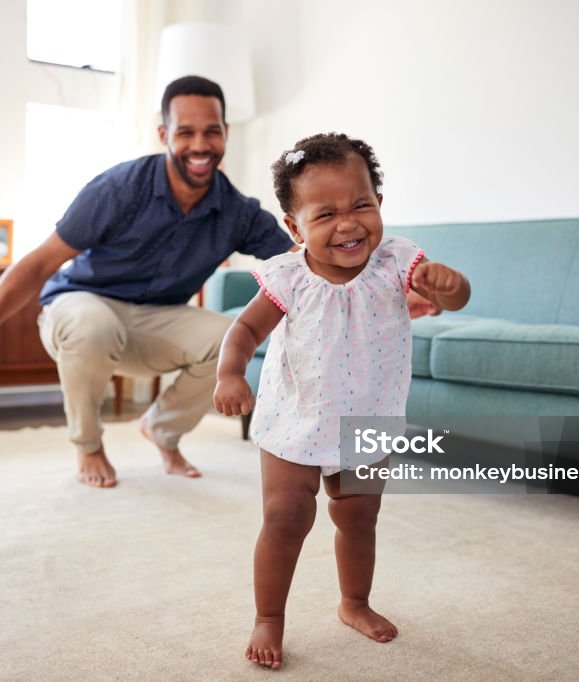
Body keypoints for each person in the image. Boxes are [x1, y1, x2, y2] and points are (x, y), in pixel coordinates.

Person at [0, 76, 295, 488]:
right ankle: (89, 445)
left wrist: (361, 260)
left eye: (211, 131)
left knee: (230, 336)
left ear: (226, 134)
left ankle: (162, 429)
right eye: (186, 132)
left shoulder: (237, 211)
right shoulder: (119, 189)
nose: (200, 145)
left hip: (156, 321)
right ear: (164, 134)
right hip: (80, 308)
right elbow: (41, 262)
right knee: (94, 324)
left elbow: (297, 262)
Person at [213, 133, 471, 669]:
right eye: (325, 214)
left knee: (359, 517)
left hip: (368, 418)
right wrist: (231, 374)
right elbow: (243, 329)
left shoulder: (399, 261)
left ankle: (354, 602)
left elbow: (453, 297)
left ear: (379, 202)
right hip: (297, 417)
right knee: (285, 517)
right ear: (294, 227)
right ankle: (269, 617)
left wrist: (448, 286)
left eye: (361, 205)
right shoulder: (288, 276)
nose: (348, 224)